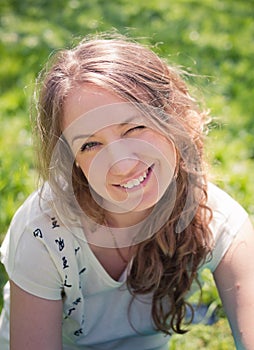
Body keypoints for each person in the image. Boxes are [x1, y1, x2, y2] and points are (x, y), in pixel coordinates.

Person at [0, 33, 254, 350]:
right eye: (90, 144)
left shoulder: (215, 220)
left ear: (172, 119)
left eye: (134, 128)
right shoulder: (43, 232)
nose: (120, 165)